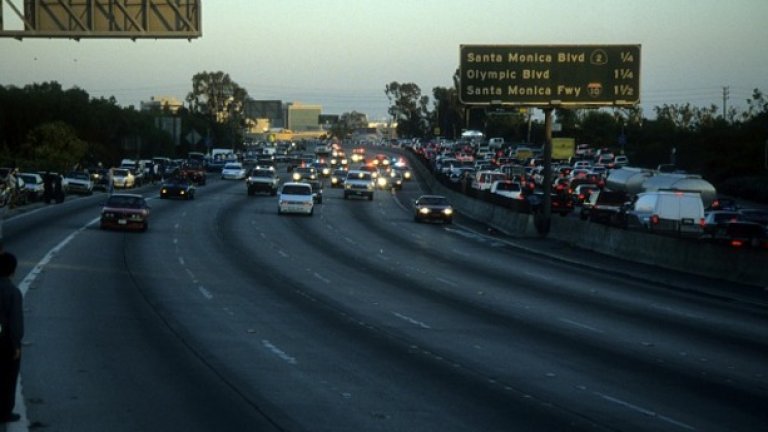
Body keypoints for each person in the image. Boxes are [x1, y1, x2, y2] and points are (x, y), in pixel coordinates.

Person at [0, 252, 22, 423]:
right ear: (12, 271)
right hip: (4, 342)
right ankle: (5, 411)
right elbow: (15, 322)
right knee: (8, 378)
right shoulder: (13, 293)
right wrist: (15, 345)